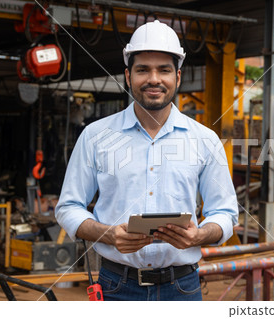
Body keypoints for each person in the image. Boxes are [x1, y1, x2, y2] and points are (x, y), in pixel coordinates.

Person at [55, 20, 238, 301]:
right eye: (143, 70)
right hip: (116, 286)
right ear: (128, 76)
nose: (154, 79)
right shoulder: (95, 136)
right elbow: (68, 207)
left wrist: (200, 235)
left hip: (182, 289)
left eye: (164, 70)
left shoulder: (206, 140)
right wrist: (108, 234)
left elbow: (225, 213)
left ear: (178, 76)